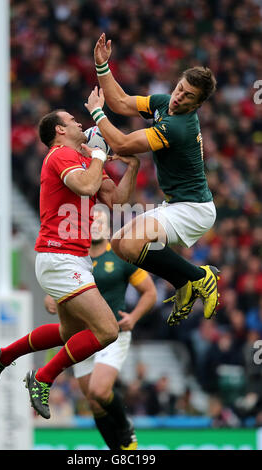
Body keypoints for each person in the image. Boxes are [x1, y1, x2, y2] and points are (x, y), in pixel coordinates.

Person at [0, 109, 140, 430]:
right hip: (59, 256)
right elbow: (84, 187)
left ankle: (3, 356)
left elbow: (118, 200)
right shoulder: (60, 155)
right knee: (108, 331)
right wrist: (98, 156)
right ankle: (42, 377)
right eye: (72, 121)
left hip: (73, 258)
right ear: (59, 130)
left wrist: (132, 167)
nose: (81, 124)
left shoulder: (84, 161)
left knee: (72, 335)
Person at [83, 33, 220, 326]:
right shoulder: (164, 103)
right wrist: (102, 67)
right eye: (180, 88)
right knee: (120, 246)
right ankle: (184, 283)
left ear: (197, 105)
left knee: (131, 246)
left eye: (188, 97)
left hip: (193, 209)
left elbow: (119, 143)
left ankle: (199, 276)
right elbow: (120, 102)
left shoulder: (177, 127)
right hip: (177, 204)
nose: (179, 97)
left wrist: (96, 112)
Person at [44, 206, 157, 449]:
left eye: (101, 221)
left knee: (99, 390)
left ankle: (126, 426)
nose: (96, 225)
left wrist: (134, 317)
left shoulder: (120, 255)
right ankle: (117, 451)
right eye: (92, 221)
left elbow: (150, 292)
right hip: (82, 337)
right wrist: (50, 299)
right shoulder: (73, 257)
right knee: (94, 403)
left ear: (108, 226)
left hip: (114, 334)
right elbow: (55, 292)